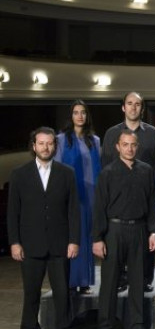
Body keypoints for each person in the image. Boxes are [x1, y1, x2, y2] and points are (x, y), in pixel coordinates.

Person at [7, 126, 80, 329]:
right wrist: (15, 242)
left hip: (60, 246)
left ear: (55, 146)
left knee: (62, 295)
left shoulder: (67, 173)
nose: (46, 147)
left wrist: (74, 240)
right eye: (41, 143)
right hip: (30, 246)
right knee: (31, 295)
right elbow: (13, 213)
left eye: (49, 143)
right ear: (34, 146)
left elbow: (73, 210)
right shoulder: (19, 174)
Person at [92, 130, 155, 329]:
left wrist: (153, 231)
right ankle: (105, 323)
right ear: (117, 146)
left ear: (137, 147)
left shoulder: (146, 171)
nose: (129, 148)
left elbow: (151, 202)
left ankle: (136, 324)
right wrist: (97, 238)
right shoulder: (108, 172)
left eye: (133, 144)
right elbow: (99, 207)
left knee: (138, 280)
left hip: (139, 230)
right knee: (110, 281)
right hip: (114, 230)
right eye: (125, 144)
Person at [102, 91, 155, 293]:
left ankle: (144, 279)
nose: (133, 107)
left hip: (144, 192)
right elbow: (106, 166)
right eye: (129, 103)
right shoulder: (112, 133)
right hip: (118, 197)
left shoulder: (153, 133)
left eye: (137, 104)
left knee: (145, 243)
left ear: (141, 108)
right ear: (123, 107)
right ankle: (120, 279)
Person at [54, 100, 101, 295]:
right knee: (73, 235)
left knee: (88, 235)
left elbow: (99, 170)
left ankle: (84, 281)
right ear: (71, 116)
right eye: (76, 112)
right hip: (71, 195)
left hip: (91, 196)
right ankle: (71, 280)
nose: (80, 116)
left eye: (83, 112)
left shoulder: (95, 140)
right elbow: (56, 170)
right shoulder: (61, 139)